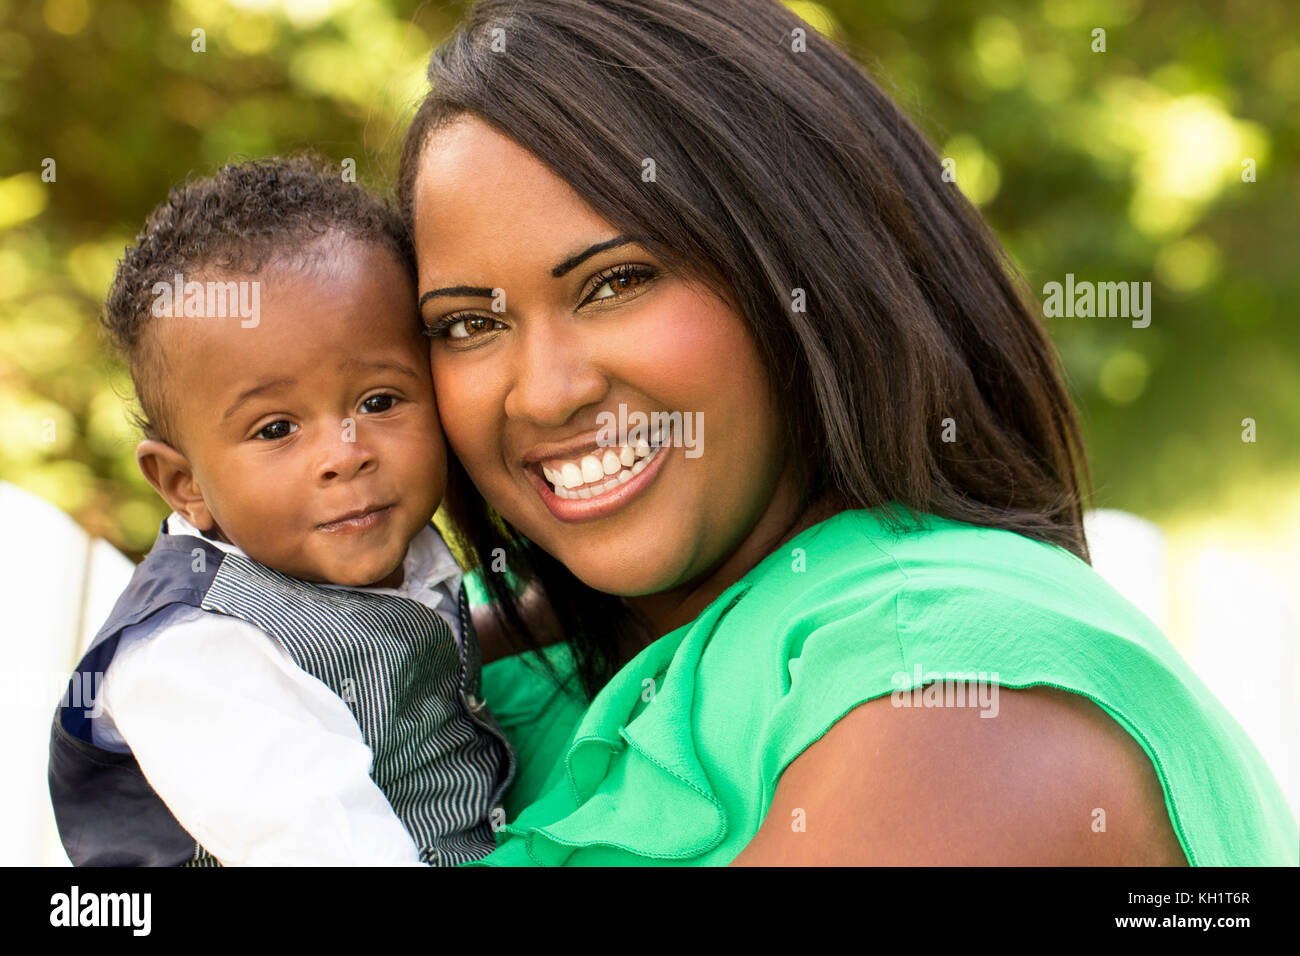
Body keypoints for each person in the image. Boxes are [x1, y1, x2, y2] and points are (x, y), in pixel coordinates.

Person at [396, 0, 1299, 865]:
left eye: (619, 281)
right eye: (469, 324)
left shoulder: (946, 690)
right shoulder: (496, 698)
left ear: (803, 274)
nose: (546, 395)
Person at [48, 156, 513, 866]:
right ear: (183, 484)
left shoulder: (358, 541)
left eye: (379, 401)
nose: (346, 453)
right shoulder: (196, 657)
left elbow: (400, 647)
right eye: (276, 430)